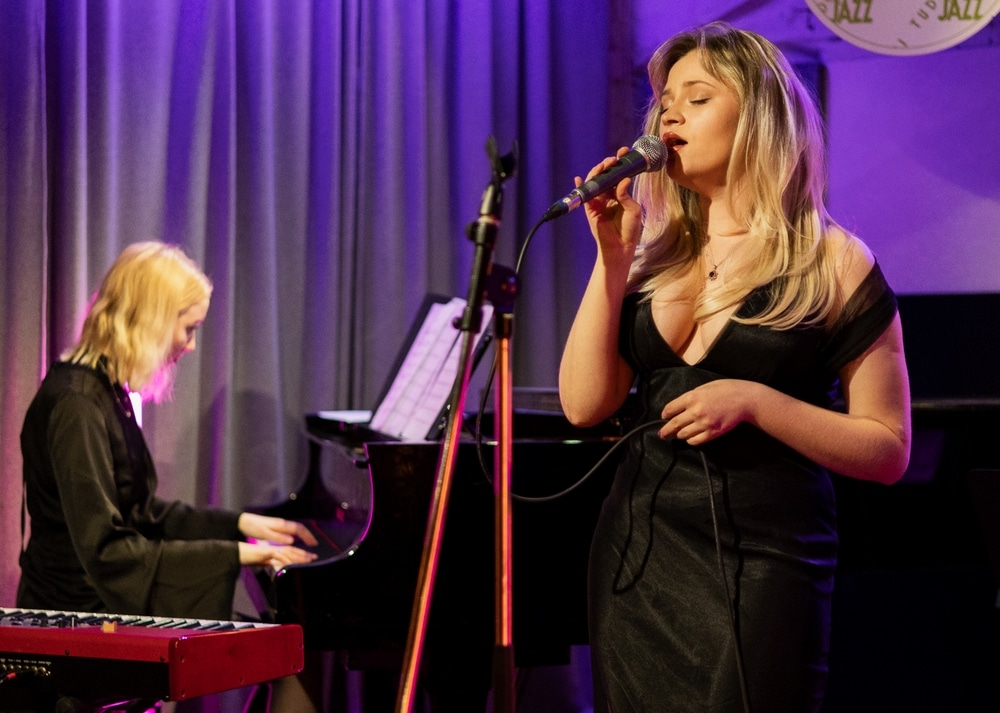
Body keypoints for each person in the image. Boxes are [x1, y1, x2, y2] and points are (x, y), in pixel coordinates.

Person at [558, 23, 911, 713]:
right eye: (665, 103)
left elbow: (888, 448)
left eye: (697, 98)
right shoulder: (651, 255)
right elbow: (583, 404)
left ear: (760, 118)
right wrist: (612, 260)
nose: (669, 117)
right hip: (639, 552)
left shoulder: (832, 261)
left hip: (767, 561)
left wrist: (756, 401)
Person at [17, 240, 317, 619]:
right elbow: (106, 551)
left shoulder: (105, 389)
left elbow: (140, 513)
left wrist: (241, 526)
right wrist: (237, 554)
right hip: (77, 616)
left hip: (97, 602)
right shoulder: (77, 404)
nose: (191, 346)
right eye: (189, 329)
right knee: (267, 640)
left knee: (267, 636)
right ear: (152, 321)